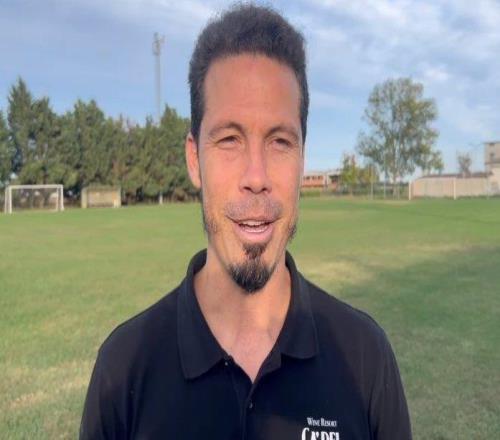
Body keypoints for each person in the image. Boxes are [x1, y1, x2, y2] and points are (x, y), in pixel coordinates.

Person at [80, 4, 412, 439]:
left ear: (302, 160)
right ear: (194, 159)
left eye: (279, 141)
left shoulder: (365, 357)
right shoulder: (124, 368)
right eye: (229, 139)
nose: (256, 177)